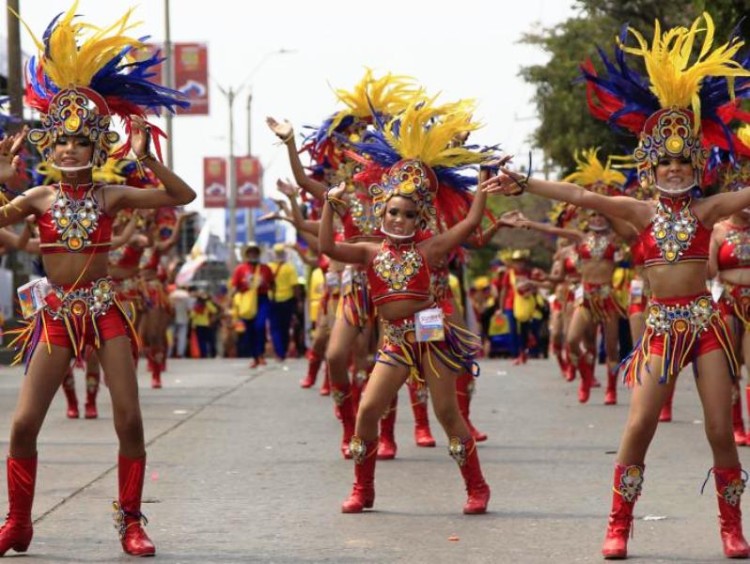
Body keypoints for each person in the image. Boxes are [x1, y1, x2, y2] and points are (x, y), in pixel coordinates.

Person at [485, 13, 750, 559]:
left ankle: (731, 527)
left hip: (705, 328)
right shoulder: (637, 210)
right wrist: (525, 183)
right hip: (658, 329)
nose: (675, 168)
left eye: (683, 159)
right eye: (665, 160)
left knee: (722, 431)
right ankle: (619, 524)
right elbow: (581, 199)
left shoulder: (708, 210)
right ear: (649, 165)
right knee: (639, 426)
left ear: (696, 163)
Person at [1, 6, 194, 557]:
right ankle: (17, 521)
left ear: (96, 147)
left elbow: (182, 198)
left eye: (79, 143)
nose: (68, 150)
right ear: (48, 147)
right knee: (21, 426)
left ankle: (132, 523)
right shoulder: (38, 197)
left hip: (106, 309)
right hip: (57, 314)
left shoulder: (111, 196)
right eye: (60, 143)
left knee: (129, 419)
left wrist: (146, 159)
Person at [321, 97, 493, 514]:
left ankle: (477, 487)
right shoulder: (367, 251)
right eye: (394, 211)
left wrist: (483, 186)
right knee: (367, 410)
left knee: (447, 414)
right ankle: (363, 489)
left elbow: (469, 225)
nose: (399, 219)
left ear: (420, 219)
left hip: (432, 338)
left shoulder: (432, 248)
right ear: (383, 209)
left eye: (408, 214)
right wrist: (329, 204)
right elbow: (327, 247)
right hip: (395, 341)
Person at [230, 243, 274, 366]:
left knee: (260, 326)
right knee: (249, 329)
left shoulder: (265, 269)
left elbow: (272, 284)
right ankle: (254, 356)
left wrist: (264, 284)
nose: (253, 254)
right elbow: (235, 286)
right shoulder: (240, 269)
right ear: (247, 254)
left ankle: (260, 354)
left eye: (255, 252)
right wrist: (232, 300)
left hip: (262, 299)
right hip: (246, 301)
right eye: (250, 252)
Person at [268, 243, 299, 361]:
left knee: (274, 328)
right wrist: (297, 301)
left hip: (273, 300)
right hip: (287, 301)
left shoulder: (269, 267)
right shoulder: (289, 267)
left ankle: (280, 352)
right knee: (285, 327)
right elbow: (295, 286)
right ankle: (283, 351)